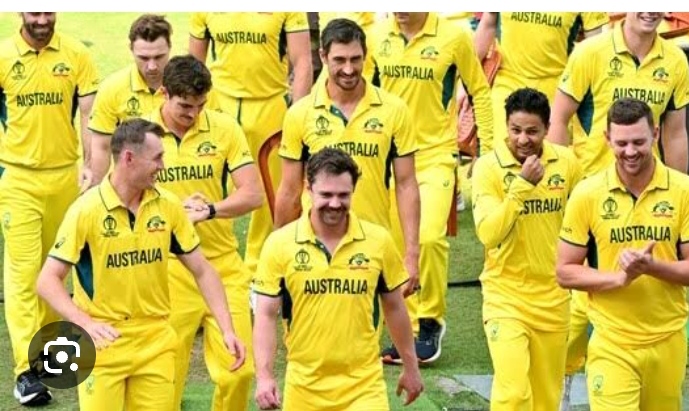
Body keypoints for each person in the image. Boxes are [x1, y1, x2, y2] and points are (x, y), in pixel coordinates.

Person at [35, 118, 246, 411]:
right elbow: (47, 281)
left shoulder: (168, 206)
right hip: (103, 345)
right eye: (157, 158)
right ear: (129, 158)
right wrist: (84, 322)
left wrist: (227, 329)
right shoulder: (85, 211)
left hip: (156, 343)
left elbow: (203, 270)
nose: (163, 166)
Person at [547, 13, 689, 408]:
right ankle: (560, 382)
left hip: (652, 200)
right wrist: (561, 187)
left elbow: (676, 132)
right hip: (594, 203)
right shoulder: (590, 52)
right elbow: (559, 119)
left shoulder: (676, 61)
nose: (651, 9)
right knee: (577, 313)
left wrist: (678, 193)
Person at [253, 147, 424, 411]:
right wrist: (264, 376)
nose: (335, 204)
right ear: (308, 189)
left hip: (364, 387)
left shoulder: (378, 241)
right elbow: (265, 315)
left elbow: (394, 307)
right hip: (304, 388)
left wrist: (411, 367)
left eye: (343, 195)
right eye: (326, 194)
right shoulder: (279, 244)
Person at [370, 12, 492, 363]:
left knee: (428, 238)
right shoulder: (375, 36)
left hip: (435, 155)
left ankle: (430, 320)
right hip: (388, 157)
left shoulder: (454, 37)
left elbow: (480, 92)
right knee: (396, 247)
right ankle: (406, 333)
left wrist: (489, 153)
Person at [146, 55, 263, 411]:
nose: (194, 114)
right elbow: (122, 197)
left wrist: (210, 210)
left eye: (200, 105)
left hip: (222, 265)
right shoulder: (142, 134)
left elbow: (253, 194)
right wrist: (171, 214)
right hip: (167, 269)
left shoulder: (225, 129)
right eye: (185, 106)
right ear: (164, 94)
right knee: (165, 379)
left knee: (239, 372)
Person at [274, 18, 420, 294]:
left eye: (356, 59)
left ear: (366, 55)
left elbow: (406, 184)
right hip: (314, 249)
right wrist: (277, 252)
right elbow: (289, 191)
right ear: (323, 56)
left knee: (372, 323)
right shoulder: (300, 114)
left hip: (371, 246)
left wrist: (412, 253)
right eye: (339, 60)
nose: (349, 69)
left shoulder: (394, 110)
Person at [0, 12, 100, 406]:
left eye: (48, 11)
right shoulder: (3, 56)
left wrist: (90, 164)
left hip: (64, 179)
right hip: (18, 179)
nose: (42, 19)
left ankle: (46, 355)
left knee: (55, 269)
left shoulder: (76, 55)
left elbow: (89, 114)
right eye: (34, 11)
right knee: (24, 273)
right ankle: (25, 372)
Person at [471, 88, 582, 410]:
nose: (523, 139)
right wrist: (521, 185)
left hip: (554, 298)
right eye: (515, 130)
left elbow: (584, 224)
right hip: (505, 297)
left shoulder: (566, 163)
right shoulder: (488, 168)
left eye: (532, 131)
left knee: (545, 399)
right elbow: (488, 234)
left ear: (547, 129)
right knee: (514, 393)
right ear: (506, 126)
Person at [189, 12, 313, 275]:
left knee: (274, 197)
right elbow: (193, 64)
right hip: (218, 104)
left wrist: (297, 117)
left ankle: (264, 272)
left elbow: (303, 61)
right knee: (206, 185)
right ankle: (205, 264)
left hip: (269, 106)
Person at [474, 12, 609, 140]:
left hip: (557, 93)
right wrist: (467, 80)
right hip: (507, 84)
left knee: (552, 154)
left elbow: (596, 49)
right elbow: (488, 24)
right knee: (502, 152)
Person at [89, 14, 173, 185]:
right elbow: (102, 146)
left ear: (170, 47)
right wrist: (97, 191)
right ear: (131, 49)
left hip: (179, 186)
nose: (152, 66)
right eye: (143, 58)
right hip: (131, 188)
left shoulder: (187, 86)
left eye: (159, 57)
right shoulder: (112, 88)